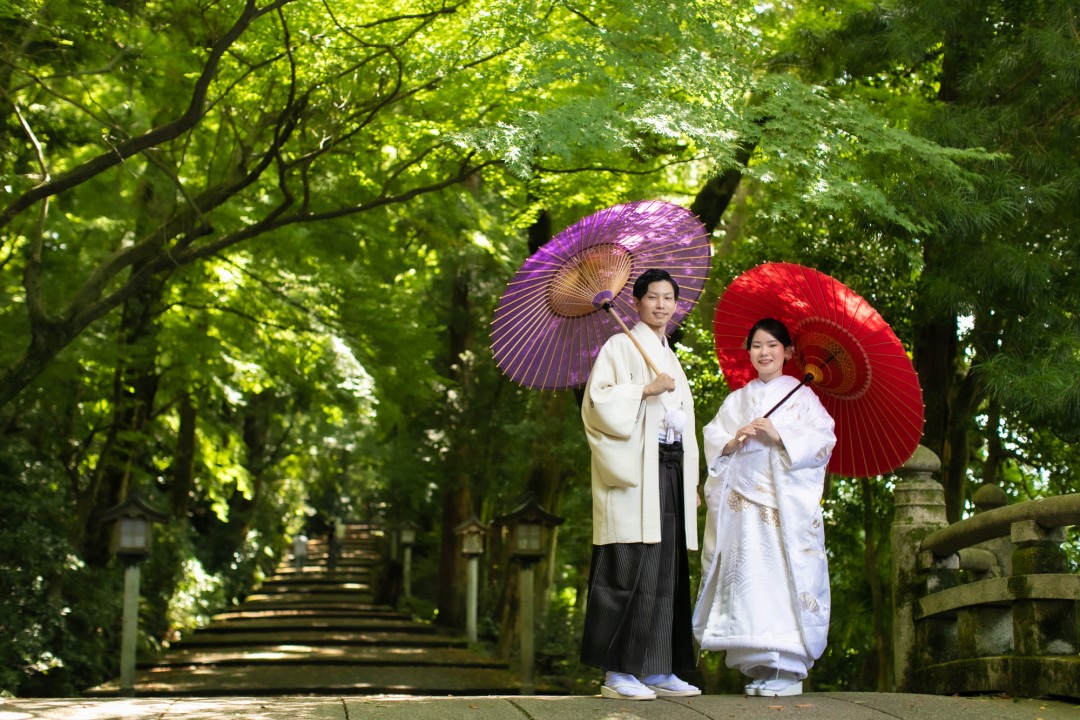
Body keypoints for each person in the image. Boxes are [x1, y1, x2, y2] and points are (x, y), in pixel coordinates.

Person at [692, 318, 835, 697]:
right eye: (756, 345)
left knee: (778, 583)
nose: (764, 352)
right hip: (741, 509)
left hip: (780, 512)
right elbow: (713, 437)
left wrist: (780, 435)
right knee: (748, 585)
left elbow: (823, 441)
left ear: (788, 352)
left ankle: (787, 670)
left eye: (772, 345)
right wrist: (732, 441)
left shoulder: (804, 397)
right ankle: (761, 667)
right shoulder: (737, 399)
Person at [579, 268, 701, 701]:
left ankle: (656, 667)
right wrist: (644, 390)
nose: (662, 305)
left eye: (669, 298)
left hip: (669, 469)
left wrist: (692, 482)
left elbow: (682, 422)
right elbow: (596, 404)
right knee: (628, 565)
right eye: (654, 297)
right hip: (635, 474)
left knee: (666, 569)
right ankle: (617, 672)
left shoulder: (669, 353)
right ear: (637, 301)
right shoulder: (618, 345)